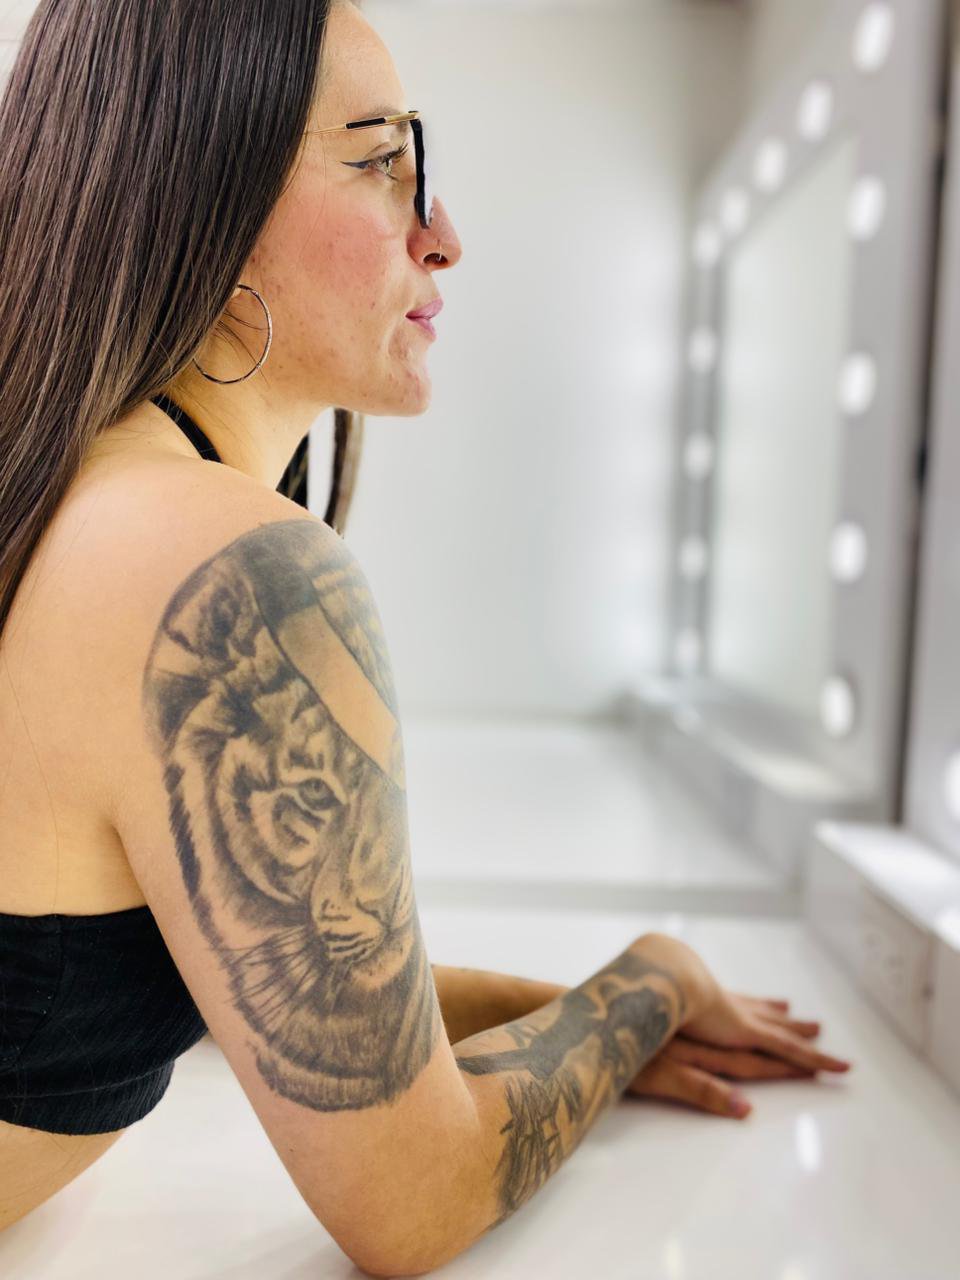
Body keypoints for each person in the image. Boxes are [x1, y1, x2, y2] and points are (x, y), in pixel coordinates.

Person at [0, 0, 851, 1267]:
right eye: (382, 161)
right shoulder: (214, 564)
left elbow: (274, 987)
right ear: (207, 200)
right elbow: (416, 1194)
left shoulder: (74, 496)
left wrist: (591, 1014)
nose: (442, 233)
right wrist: (654, 977)